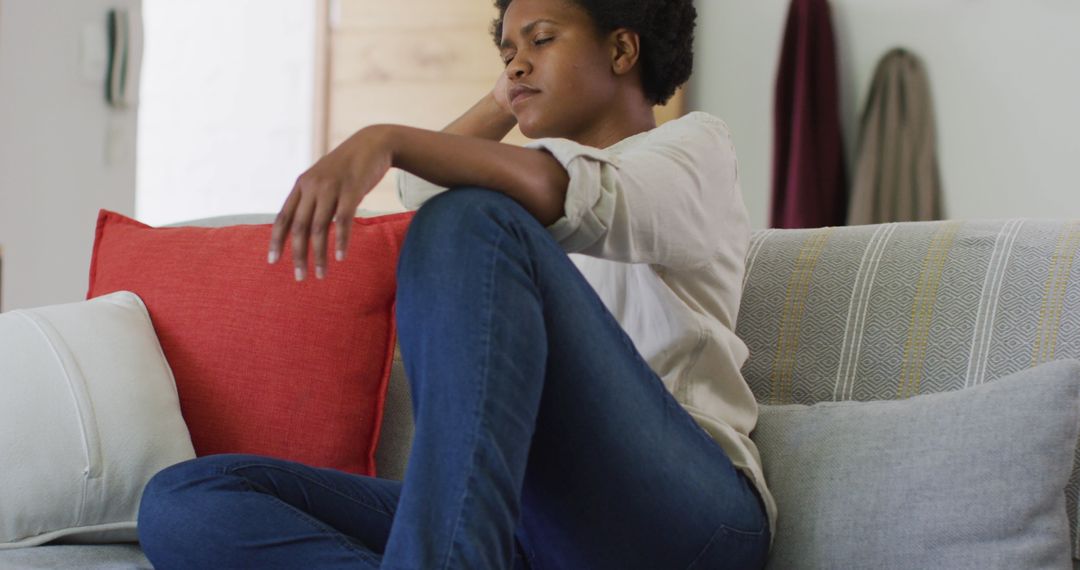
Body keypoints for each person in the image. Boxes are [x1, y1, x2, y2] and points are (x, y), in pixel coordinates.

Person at [136, 0, 775, 567]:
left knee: (470, 220)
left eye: (542, 40)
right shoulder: (514, 195)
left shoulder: (694, 151)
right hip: (531, 529)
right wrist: (511, 92)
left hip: (685, 516)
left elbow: (570, 191)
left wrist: (383, 138)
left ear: (621, 48)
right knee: (186, 502)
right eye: (507, 53)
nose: (517, 65)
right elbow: (428, 192)